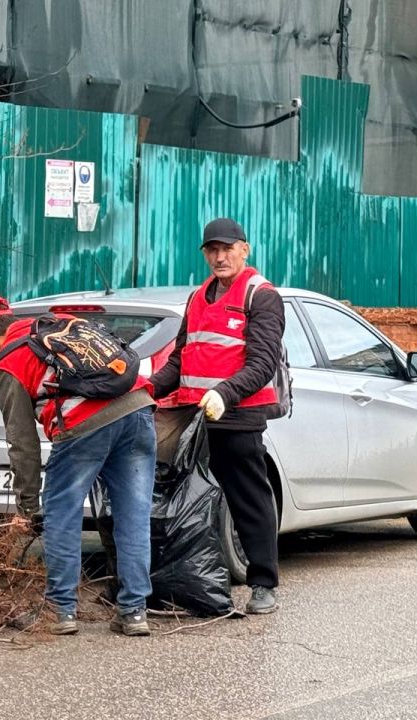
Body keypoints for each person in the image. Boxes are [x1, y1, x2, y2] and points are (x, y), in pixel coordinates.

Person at [0, 295, 157, 636]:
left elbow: (21, 443)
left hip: (85, 425)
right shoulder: (60, 323)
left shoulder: (9, 362)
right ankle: (134, 611)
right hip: (139, 410)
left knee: (62, 515)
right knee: (134, 515)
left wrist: (26, 506)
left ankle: (60, 609)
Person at [149, 217, 285, 614]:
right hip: (194, 418)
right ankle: (189, 583)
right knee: (191, 503)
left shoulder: (260, 296)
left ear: (245, 249)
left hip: (237, 416)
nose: (220, 256)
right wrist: (147, 388)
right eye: (212, 250)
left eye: (227, 248)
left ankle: (263, 583)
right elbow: (180, 358)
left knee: (248, 498)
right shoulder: (197, 297)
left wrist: (224, 392)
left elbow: (262, 363)